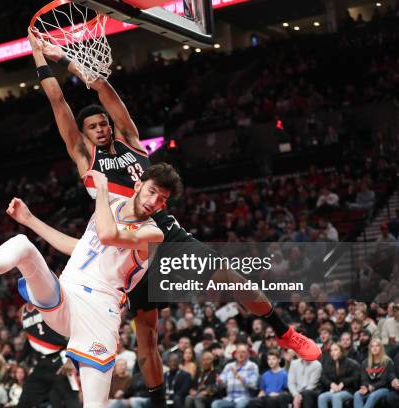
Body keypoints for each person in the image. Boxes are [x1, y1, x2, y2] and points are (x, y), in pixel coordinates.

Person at [27, 29, 320, 406]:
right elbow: (57, 100)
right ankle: (159, 402)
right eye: (92, 127)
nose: (100, 129)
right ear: (82, 136)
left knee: (230, 275)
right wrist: (39, 57)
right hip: (125, 248)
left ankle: (284, 331)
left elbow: (103, 89)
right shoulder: (85, 159)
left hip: (162, 231)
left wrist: (64, 57)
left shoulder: (132, 141)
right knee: (147, 337)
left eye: (103, 123)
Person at [0, 164, 182, 407]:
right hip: (65, 294)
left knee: (95, 404)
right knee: (22, 244)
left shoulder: (153, 233)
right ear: (138, 185)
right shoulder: (109, 207)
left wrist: (104, 189)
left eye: (162, 200)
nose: (155, 202)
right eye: (152, 191)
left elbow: (108, 235)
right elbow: (78, 248)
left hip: (99, 312)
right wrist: (30, 219)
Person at [17, 303, 79, 408]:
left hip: (61, 359)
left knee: (70, 402)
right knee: (25, 401)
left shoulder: (49, 301)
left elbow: (71, 330)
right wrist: (18, 361)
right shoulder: (22, 311)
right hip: (42, 363)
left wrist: (71, 359)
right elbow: (30, 338)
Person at [353, 338, 395, 408]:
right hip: (369, 388)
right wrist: (365, 387)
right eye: (372, 346)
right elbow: (364, 379)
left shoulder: (387, 362)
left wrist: (373, 387)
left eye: (377, 346)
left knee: (373, 395)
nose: (374, 348)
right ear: (370, 349)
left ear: (381, 348)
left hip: (384, 389)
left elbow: (385, 380)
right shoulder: (365, 363)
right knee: (357, 394)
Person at [213, 343, 259, 408]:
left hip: (244, 397)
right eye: (238, 352)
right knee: (215, 404)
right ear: (235, 355)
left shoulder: (252, 366)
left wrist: (240, 377)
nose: (241, 354)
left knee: (240, 405)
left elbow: (254, 384)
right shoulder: (229, 366)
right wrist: (219, 381)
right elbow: (221, 382)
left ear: (248, 354)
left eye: (243, 352)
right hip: (229, 398)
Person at [317, 342, 360, 408]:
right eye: (331, 350)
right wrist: (331, 384)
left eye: (335, 350)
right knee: (322, 397)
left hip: (348, 390)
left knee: (336, 397)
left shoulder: (351, 363)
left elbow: (356, 376)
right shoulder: (329, 363)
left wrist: (344, 383)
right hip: (334, 390)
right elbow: (323, 376)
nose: (333, 352)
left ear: (341, 351)